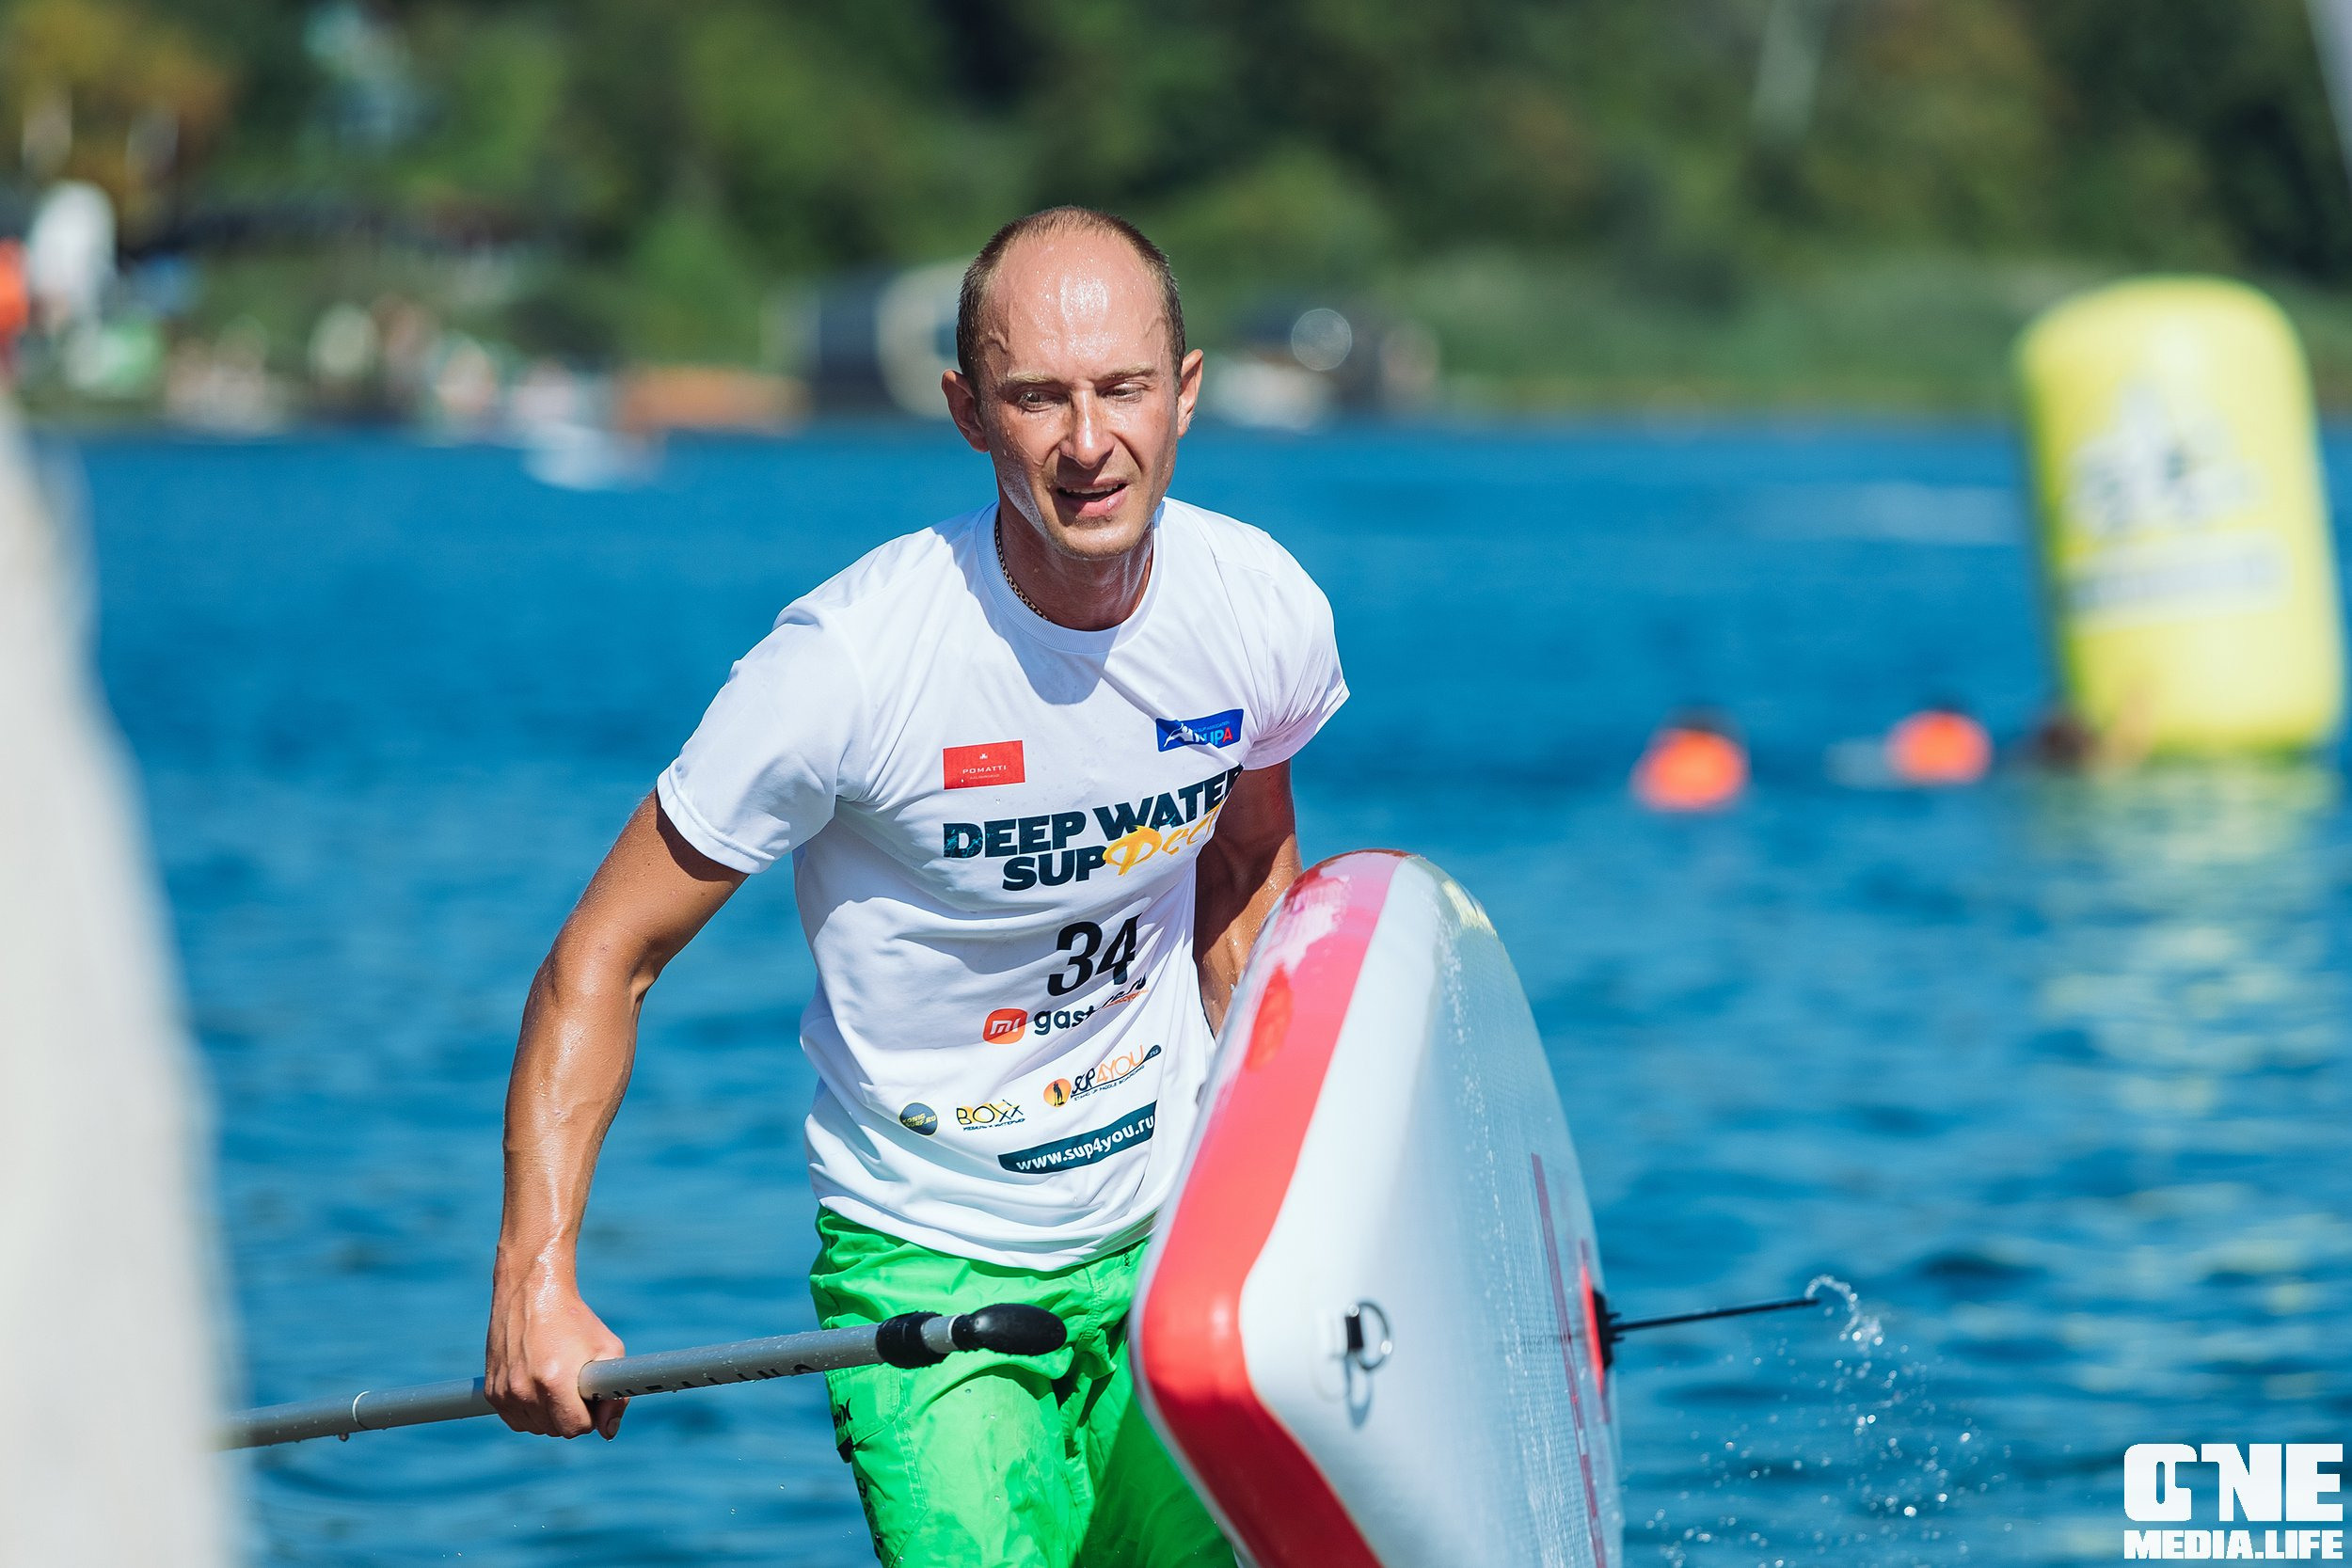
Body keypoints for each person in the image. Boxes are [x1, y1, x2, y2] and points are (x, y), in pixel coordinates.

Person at [483, 206, 1347, 1568]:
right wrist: (536, 1280)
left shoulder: (1260, 609)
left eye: (1123, 388)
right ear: (964, 409)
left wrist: (1297, 1191)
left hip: (1183, 1238)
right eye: (1036, 396)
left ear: (1185, 393)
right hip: (926, 1259)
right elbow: (605, 956)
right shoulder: (848, 667)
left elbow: (1247, 873)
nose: (1086, 442)